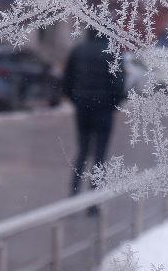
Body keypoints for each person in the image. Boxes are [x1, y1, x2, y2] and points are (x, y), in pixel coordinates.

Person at [62, 28, 126, 207]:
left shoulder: (78, 50)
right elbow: (119, 84)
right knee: (100, 154)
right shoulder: (111, 52)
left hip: (83, 108)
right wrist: (114, 103)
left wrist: (76, 100)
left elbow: (67, 81)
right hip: (104, 110)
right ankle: (93, 202)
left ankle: (73, 193)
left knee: (82, 150)